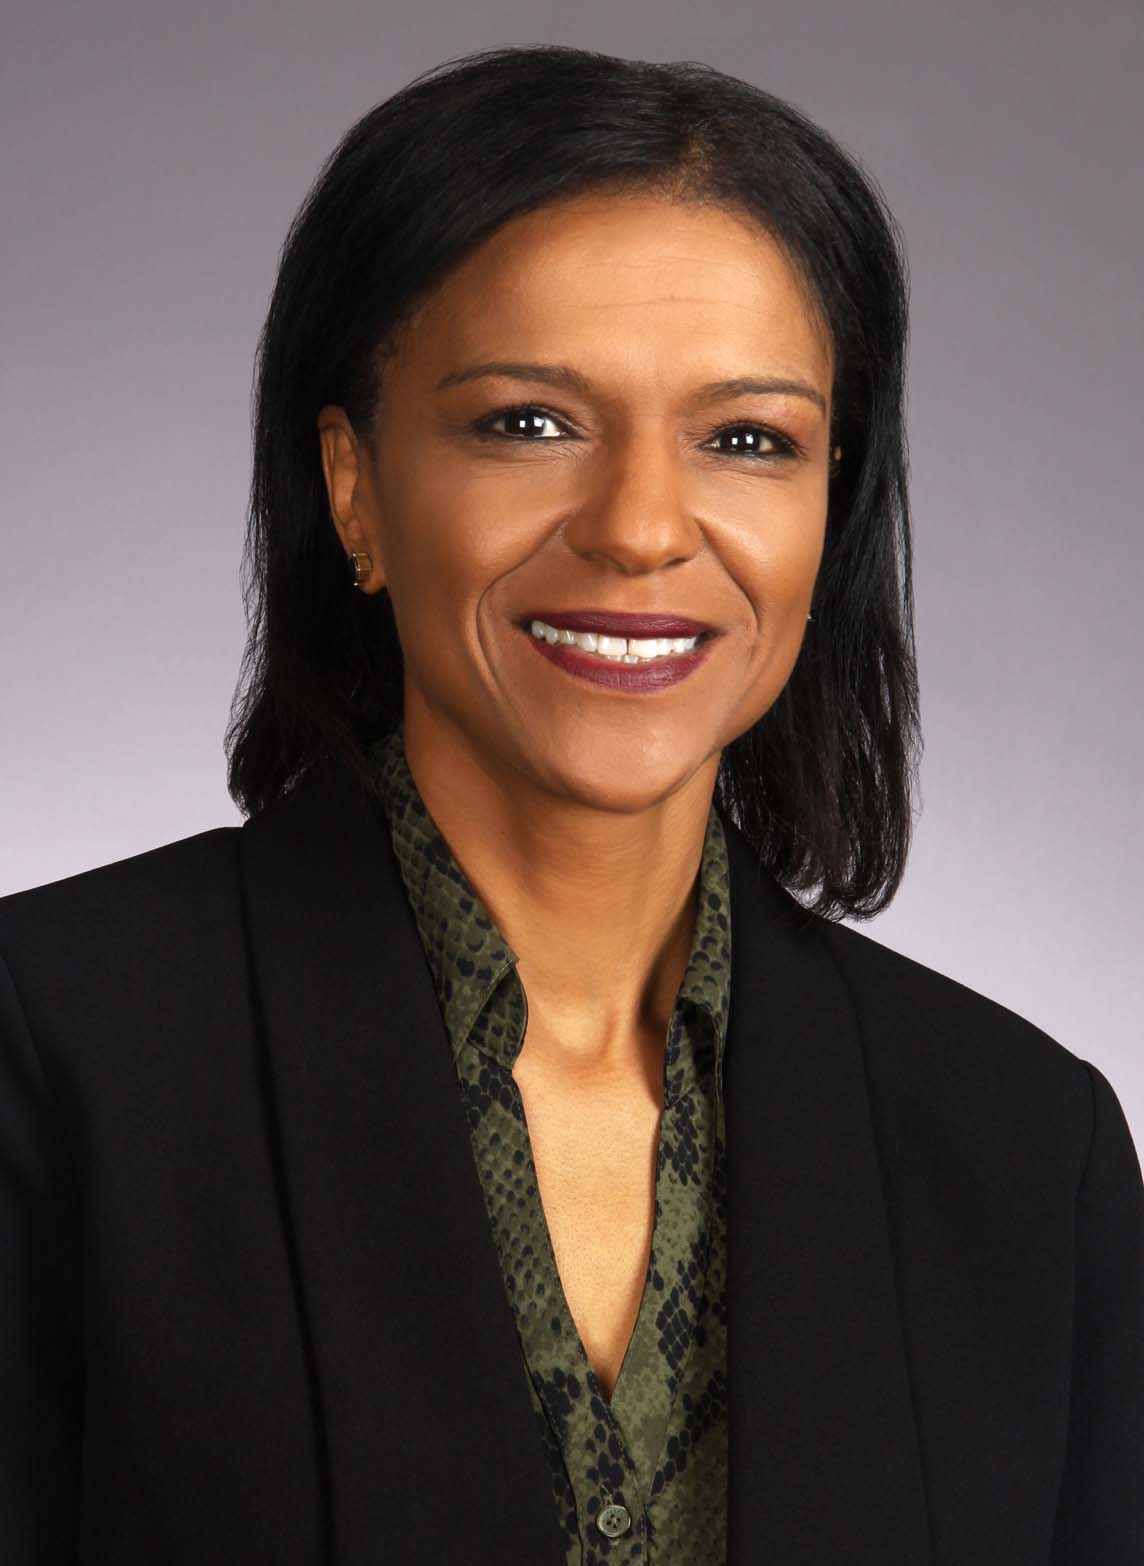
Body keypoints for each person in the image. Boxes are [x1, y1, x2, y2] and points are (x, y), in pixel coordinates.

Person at [1, 42, 1140, 1566]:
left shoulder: (1025, 1146)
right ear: (354, 486)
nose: (642, 528)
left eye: (748, 439)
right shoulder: (52, 1054)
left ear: (829, 510)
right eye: (529, 422)